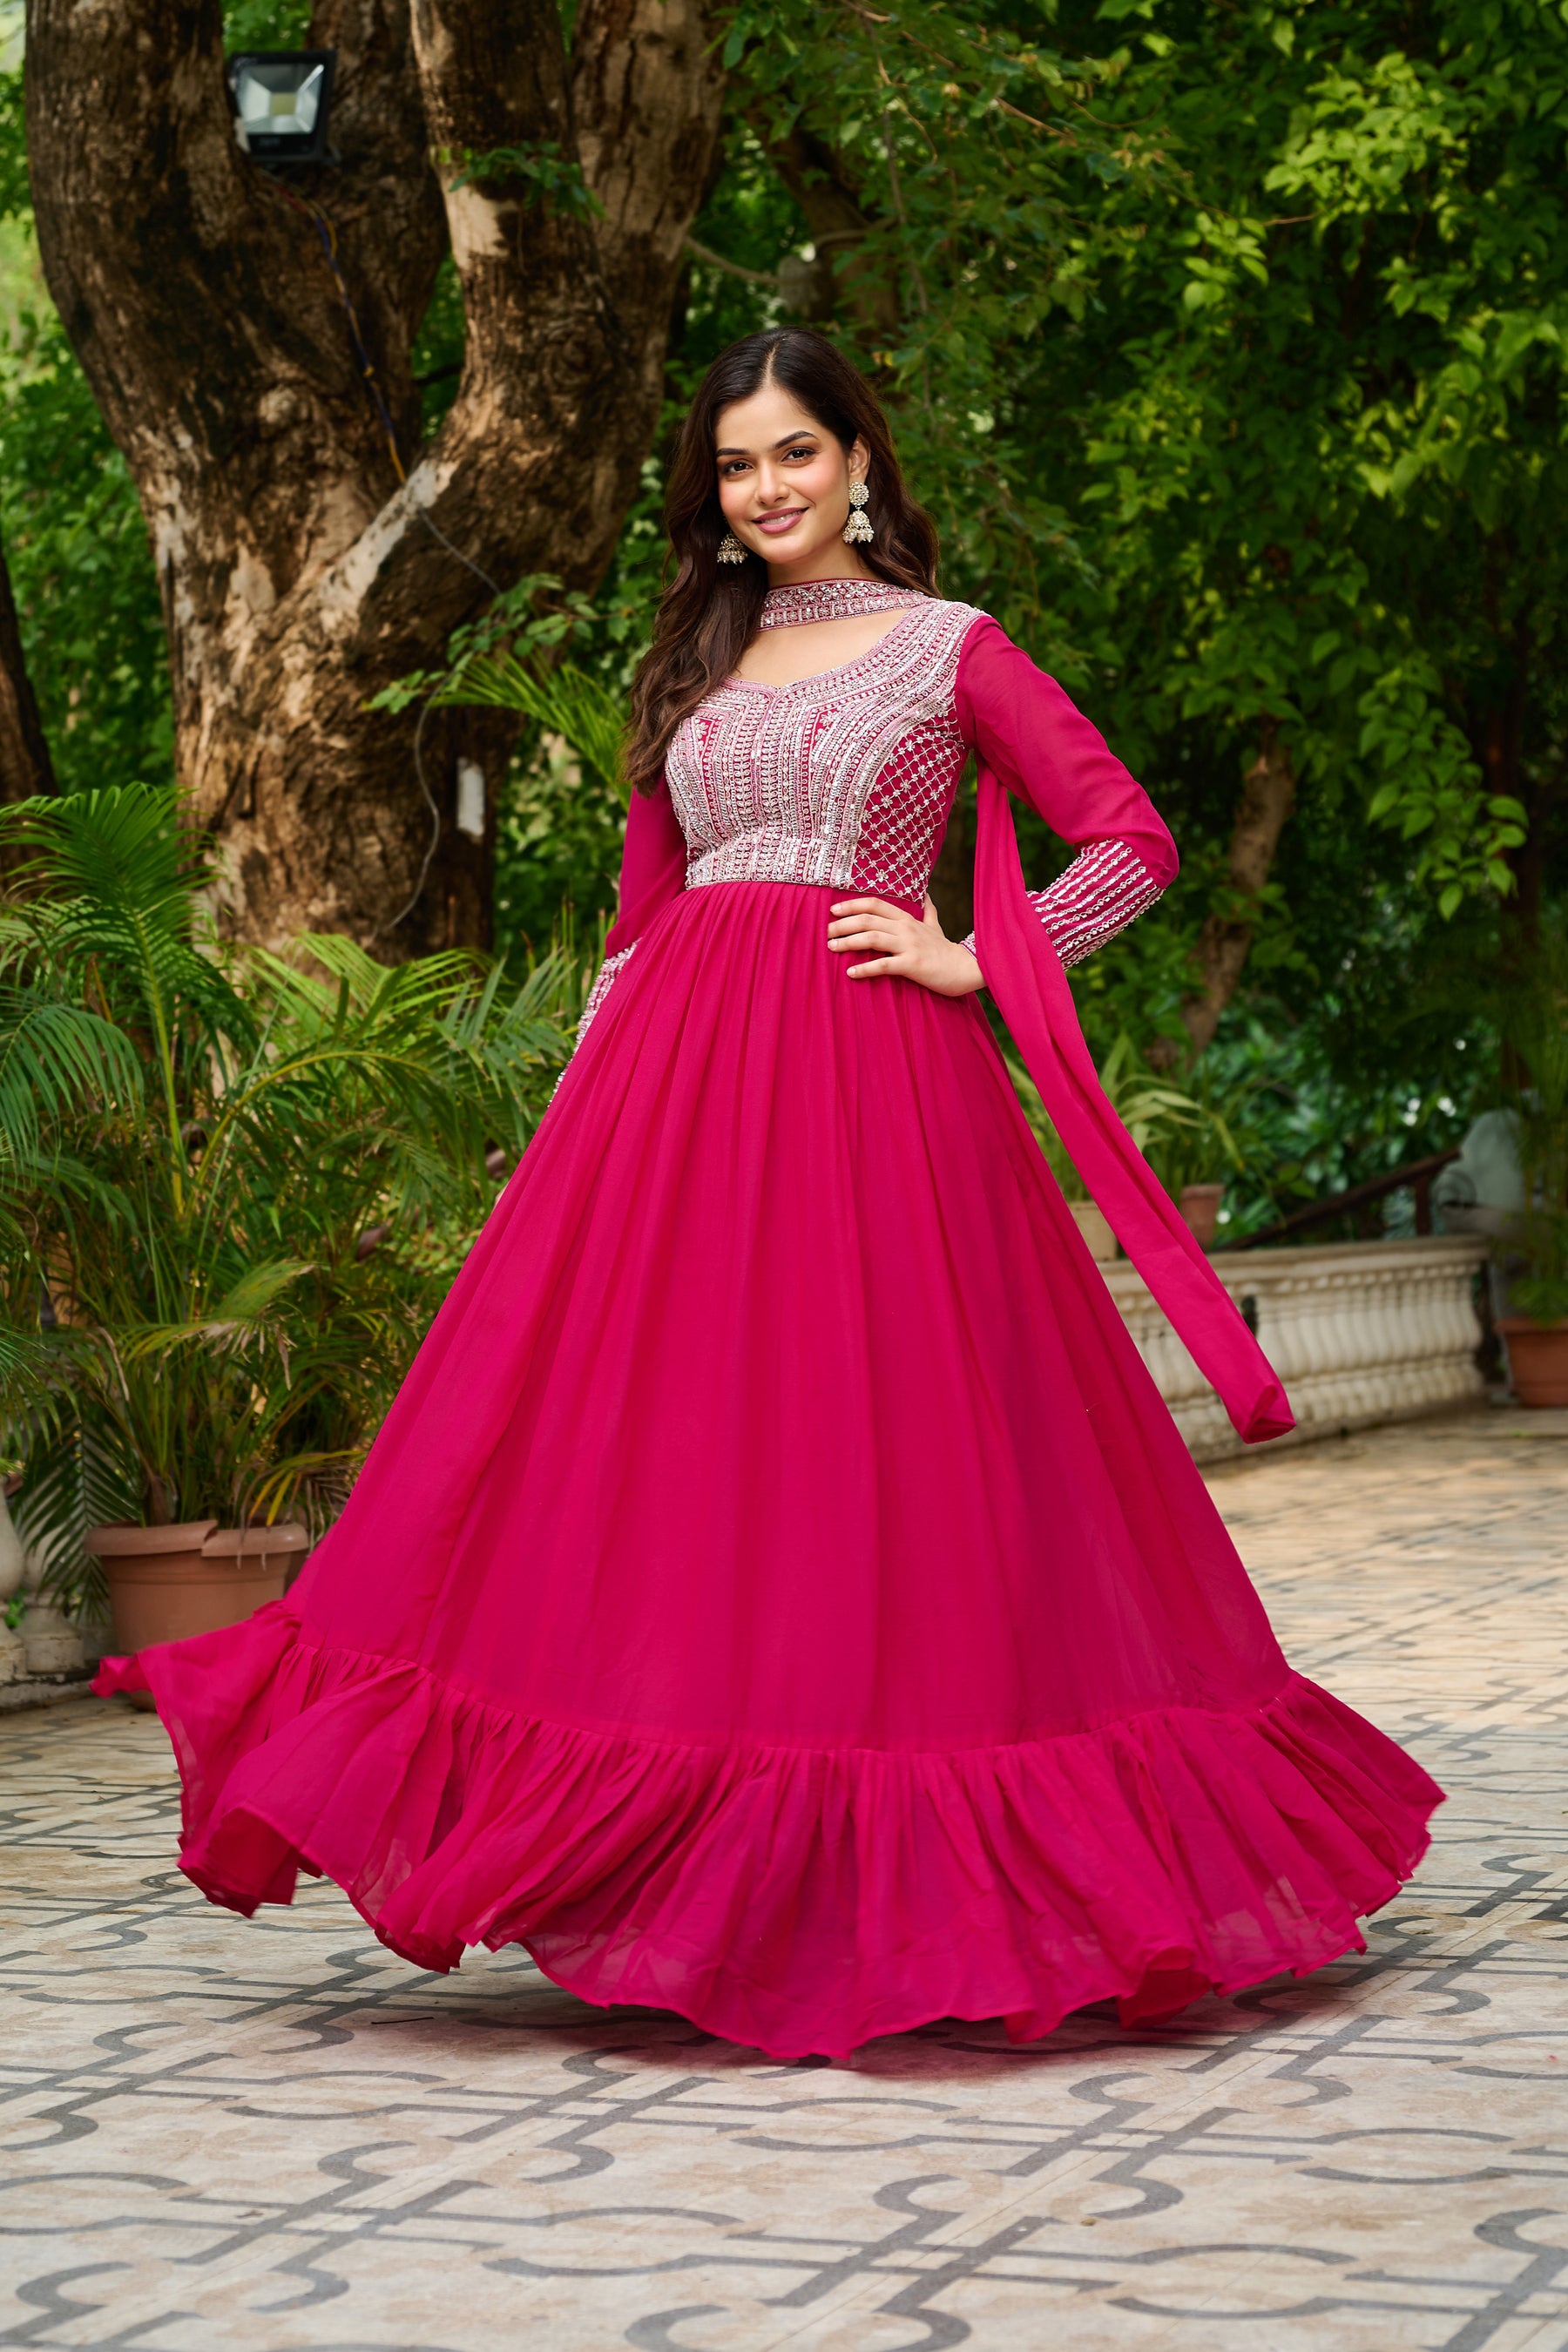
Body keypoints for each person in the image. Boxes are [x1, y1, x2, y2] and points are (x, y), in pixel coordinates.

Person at [98, 329, 1440, 2060]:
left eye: (796, 452)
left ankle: (898, 1882)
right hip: (666, 1101)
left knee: (879, 1460)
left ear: (861, 457)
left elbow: (1130, 842)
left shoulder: (954, 649)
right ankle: (674, 1871)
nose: (768, 487)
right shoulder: (698, 654)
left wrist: (977, 961)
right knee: (667, 1465)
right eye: (738, 465)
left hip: (878, 1091)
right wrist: (584, 1121)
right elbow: (641, 909)